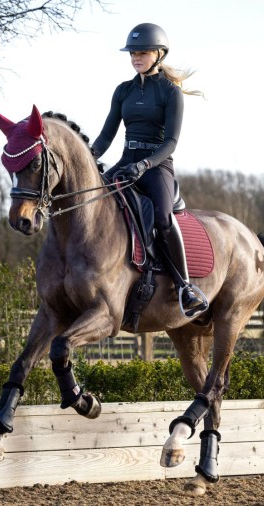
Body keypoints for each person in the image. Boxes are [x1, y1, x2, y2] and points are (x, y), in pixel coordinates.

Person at [91, 22, 208, 319]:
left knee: (163, 219)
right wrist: (88, 158)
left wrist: (144, 165)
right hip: (126, 160)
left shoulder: (171, 93)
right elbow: (106, 136)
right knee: (94, 201)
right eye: (132, 53)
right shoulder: (123, 91)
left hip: (157, 165)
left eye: (141, 53)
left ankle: (185, 287)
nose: (135, 58)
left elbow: (170, 142)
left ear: (159, 54)